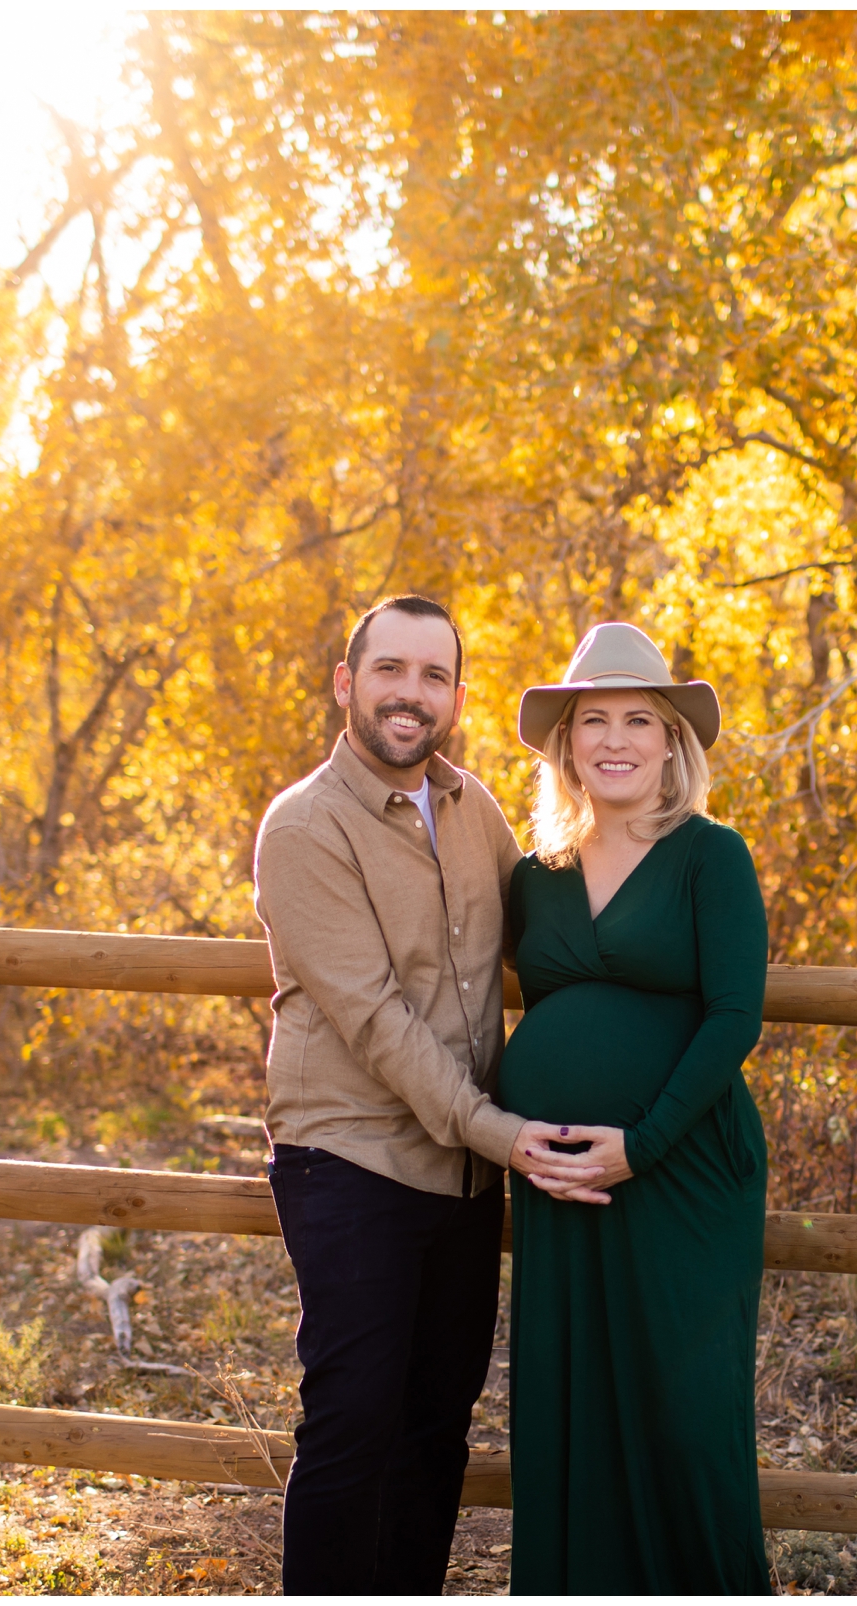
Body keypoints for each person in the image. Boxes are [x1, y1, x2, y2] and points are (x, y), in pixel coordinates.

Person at [252, 593, 612, 1595]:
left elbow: (556, 930)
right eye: (391, 670)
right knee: (354, 1420)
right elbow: (376, 1023)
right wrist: (502, 1134)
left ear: (456, 693)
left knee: (435, 1427)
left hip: (463, 1171)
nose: (412, 694)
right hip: (353, 1157)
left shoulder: (475, 808)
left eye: (434, 675)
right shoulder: (304, 826)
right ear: (347, 683)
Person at [500, 620, 773, 1594]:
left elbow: (735, 1016)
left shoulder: (712, 856)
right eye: (594, 720)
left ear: (672, 742)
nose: (615, 738)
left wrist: (642, 1143)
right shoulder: (535, 877)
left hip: (681, 1174)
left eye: (638, 720)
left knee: (682, 1415)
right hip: (560, 1183)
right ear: (568, 742)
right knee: (572, 1410)